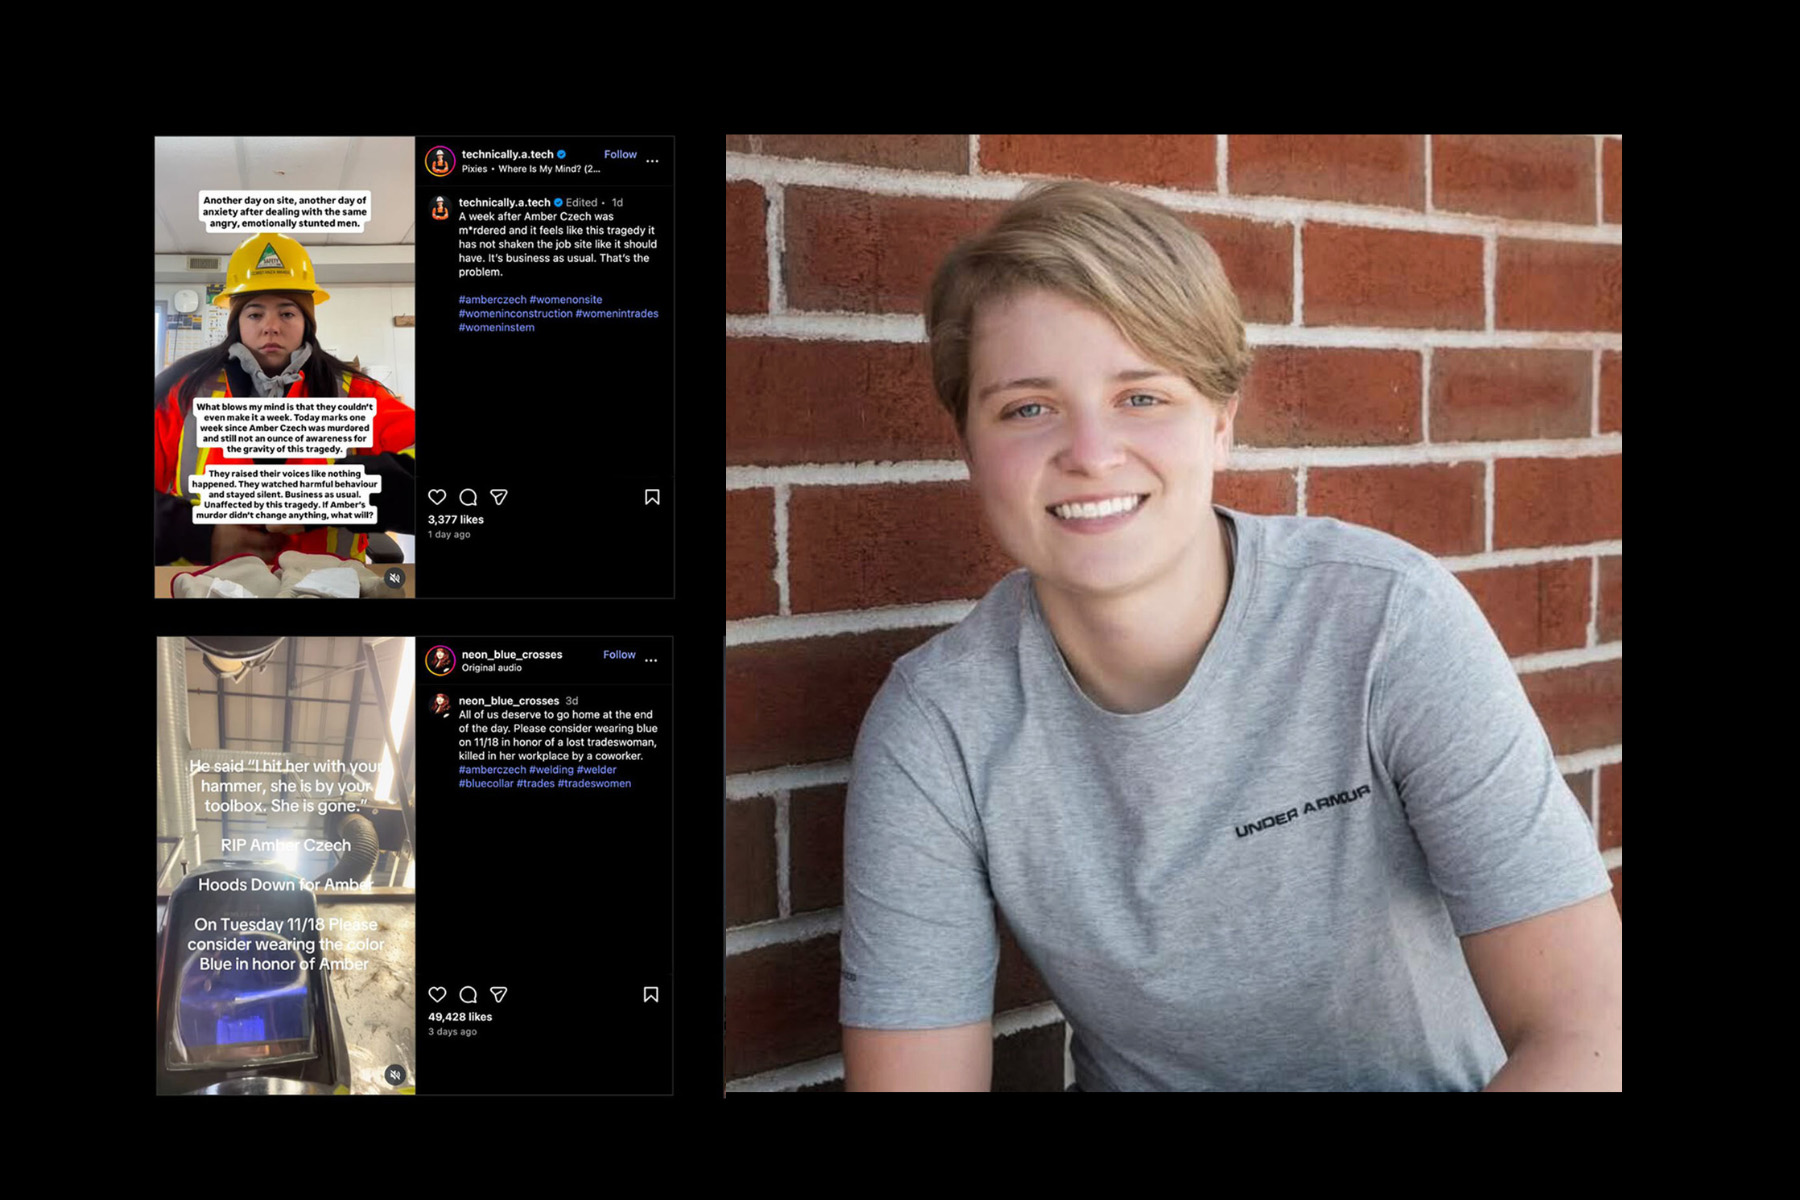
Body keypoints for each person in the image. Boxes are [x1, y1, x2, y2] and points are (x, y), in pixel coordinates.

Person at [838, 181, 1621, 1092]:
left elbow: (1591, 1030)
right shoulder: (938, 729)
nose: (1090, 451)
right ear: (969, 448)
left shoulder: (1382, 623)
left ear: (1221, 422)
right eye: (1027, 407)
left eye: (1141, 397)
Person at [154, 231, 416, 566]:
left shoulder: (356, 394)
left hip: (327, 588)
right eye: (255, 313)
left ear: (307, 322)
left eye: (288, 313)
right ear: (236, 322)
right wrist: (195, 534)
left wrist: (335, 493)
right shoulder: (183, 393)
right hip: (208, 586)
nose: (271, 327)